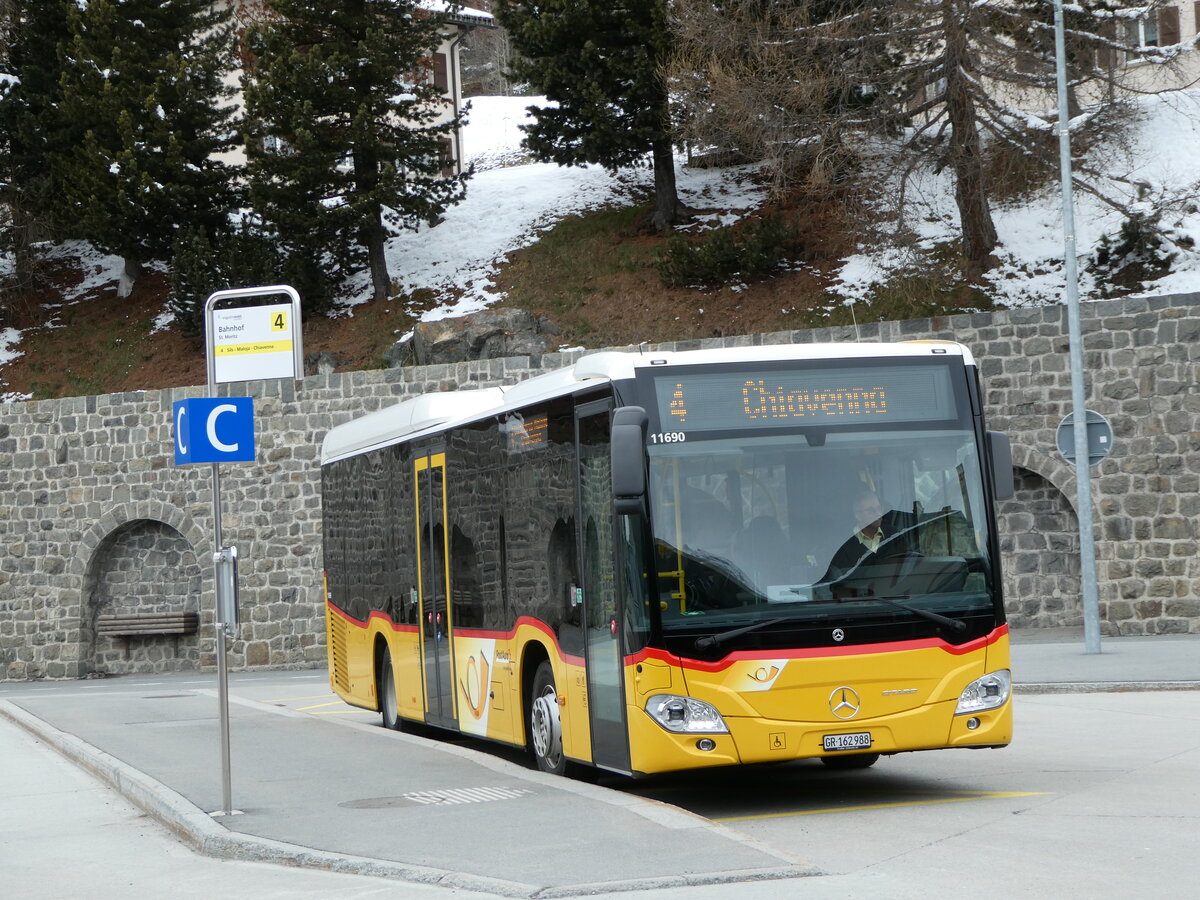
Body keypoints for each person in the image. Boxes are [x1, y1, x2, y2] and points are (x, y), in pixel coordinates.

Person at [821, 490, 916, 584]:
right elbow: (840, 582)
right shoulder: (843, 544)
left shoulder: (894, 535)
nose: (878, 513)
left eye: (879, 508)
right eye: (871, 510)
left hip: (895, 595)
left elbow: (909, 566)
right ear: (858, 515)